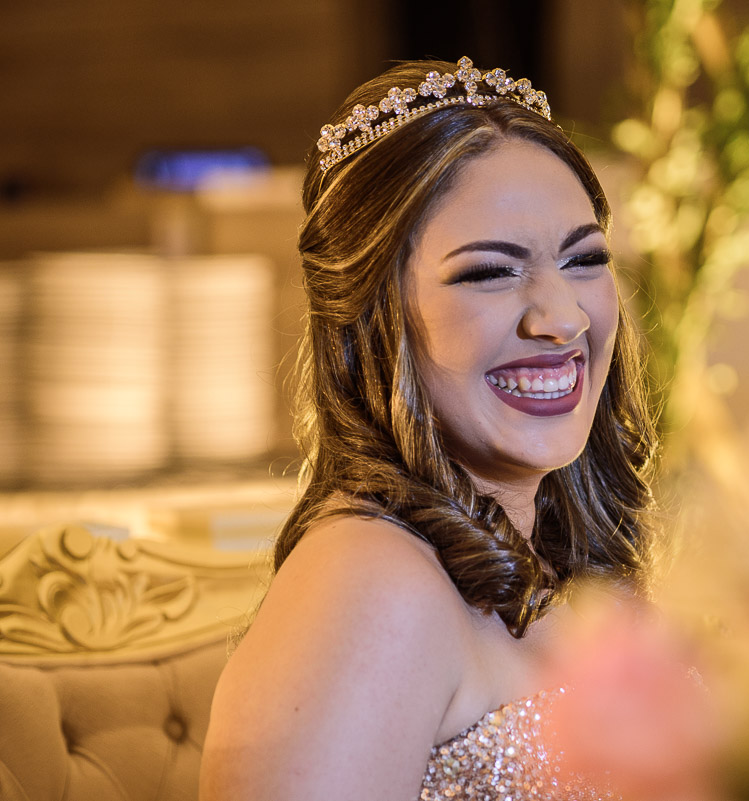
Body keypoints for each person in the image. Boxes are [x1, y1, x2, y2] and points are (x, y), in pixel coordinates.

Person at [199, 57, 659, 800]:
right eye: (489, 272)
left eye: (586, 259)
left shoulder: (560, 555)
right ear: (372, 316)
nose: (563, 319)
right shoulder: (369, 584)